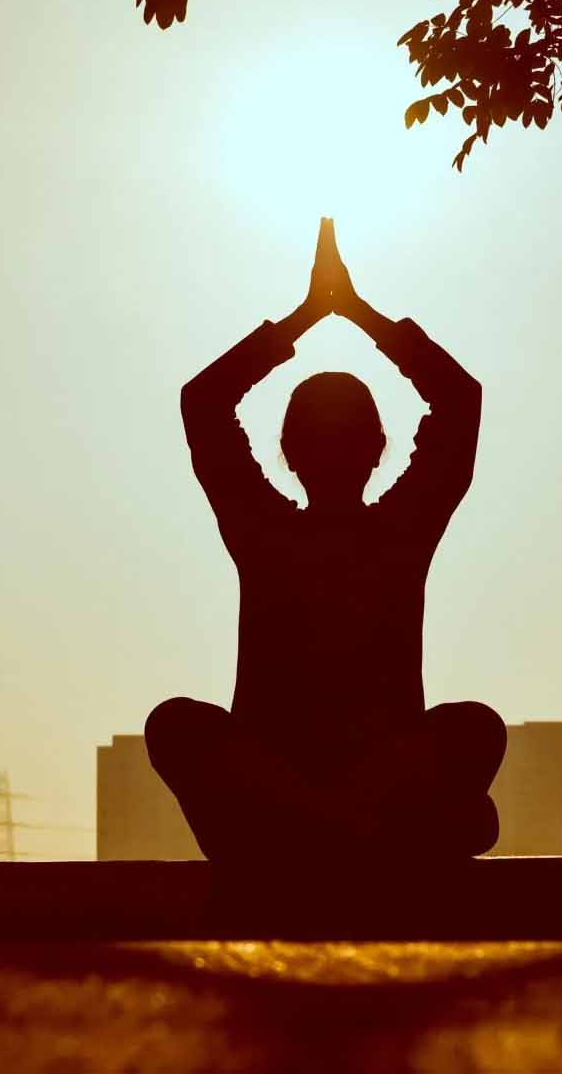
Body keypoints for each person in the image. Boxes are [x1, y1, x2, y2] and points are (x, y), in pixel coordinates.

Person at [146, 219, 505, 864]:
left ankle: (319, 830)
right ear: (379, 449)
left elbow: (204, 403)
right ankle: (353, 831)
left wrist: (310, 317)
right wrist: (352, 314)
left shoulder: (270, 527)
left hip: (301, 796)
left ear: (285, 452)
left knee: (474, 727)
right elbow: (458, 400)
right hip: (335, 791)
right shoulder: (391, 527)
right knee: (175, 724)